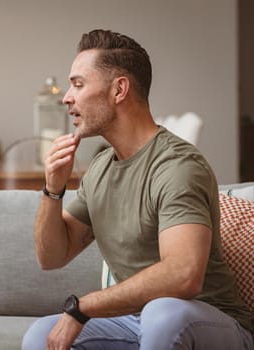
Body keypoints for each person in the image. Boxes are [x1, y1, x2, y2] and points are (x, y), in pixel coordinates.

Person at [22, 29, 253, 350]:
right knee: (38, 335)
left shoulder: (177, 165)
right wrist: (53, 189)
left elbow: (183, 274)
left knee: (164, 314)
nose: (66, 97)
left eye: (78, 84)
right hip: (137, 320)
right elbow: (51, 257)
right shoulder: (101, 169)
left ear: (119, 90)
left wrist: (83, 308)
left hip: (208, 321)